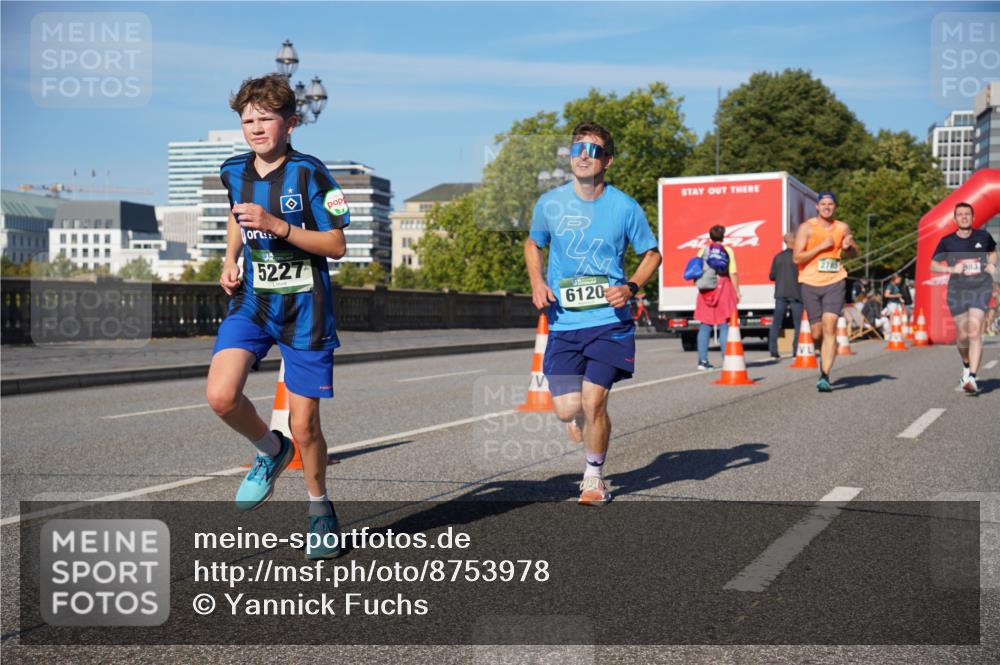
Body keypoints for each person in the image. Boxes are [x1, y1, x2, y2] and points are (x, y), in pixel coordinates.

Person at [205, 74, 348, 559]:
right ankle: (271, 450)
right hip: (253, 301)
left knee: (306, 427)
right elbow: (235, 212)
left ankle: (319, 509)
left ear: (290, 122)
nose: (255, 128)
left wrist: (278, 226)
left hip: (306, 307)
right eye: (247, 120)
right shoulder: (233, 170)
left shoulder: (310, 173)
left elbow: (336, 245)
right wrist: (230, 259)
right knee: (221, 396)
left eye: (265, 118)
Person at [524, 121, 661, 506]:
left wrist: (630, 286)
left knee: (595, 400)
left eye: (593, 150)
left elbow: (653, 253)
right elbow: (533, 244)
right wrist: (537, 281)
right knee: (567, 408)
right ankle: (580, 420)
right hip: (564, 321)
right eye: (577, 149)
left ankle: (594, 477)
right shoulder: (550, 203)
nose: (583, 156)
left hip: (608, 323)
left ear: (608, 161)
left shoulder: (624, 207)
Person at [930, 201, 998, 394]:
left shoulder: (983, 236)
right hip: (957, 289)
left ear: (973, 217)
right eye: (960, 214)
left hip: (980, 287)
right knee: (962, 334)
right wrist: (951, 268)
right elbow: (932, 265)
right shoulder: (947, 241)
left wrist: (993, 264)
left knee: (975, 331)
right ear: (955, 218)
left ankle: (973, 377)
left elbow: (993, 252)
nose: (964, 217)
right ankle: (966, 365)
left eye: (967, 214)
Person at [793, 191, 858, 392]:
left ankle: (825, 375)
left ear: (835, 207)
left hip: (835, 281)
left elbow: (854, 252)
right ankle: (825, 348)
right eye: (823, 204)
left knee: (830, 326)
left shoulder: (842, 227)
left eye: (830, 204)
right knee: (817, 332)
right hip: (810, 283)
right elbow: (797, 258)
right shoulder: (807, 228)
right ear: (817, 207)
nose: (827, 207)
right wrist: (821, 246)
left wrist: (849, 247)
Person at [694, 225, 741, 370]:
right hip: (724, 287)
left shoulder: (702, 251)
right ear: (723, 236)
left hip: (706, 290)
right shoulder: (728, 251)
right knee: (724, 323)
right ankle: (727, 359)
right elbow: (732, 272)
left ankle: (702, 361)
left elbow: (697, 270)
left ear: (710, 236)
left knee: (704, 324)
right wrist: (737, 291)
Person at [768, 231, 803, 359]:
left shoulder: (778, 257)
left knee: (776, 322)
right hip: (796, 293)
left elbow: (771, 276)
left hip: (780, 293)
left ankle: (773, 351)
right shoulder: (799, 257)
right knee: (798, 324)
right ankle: (796, 350)